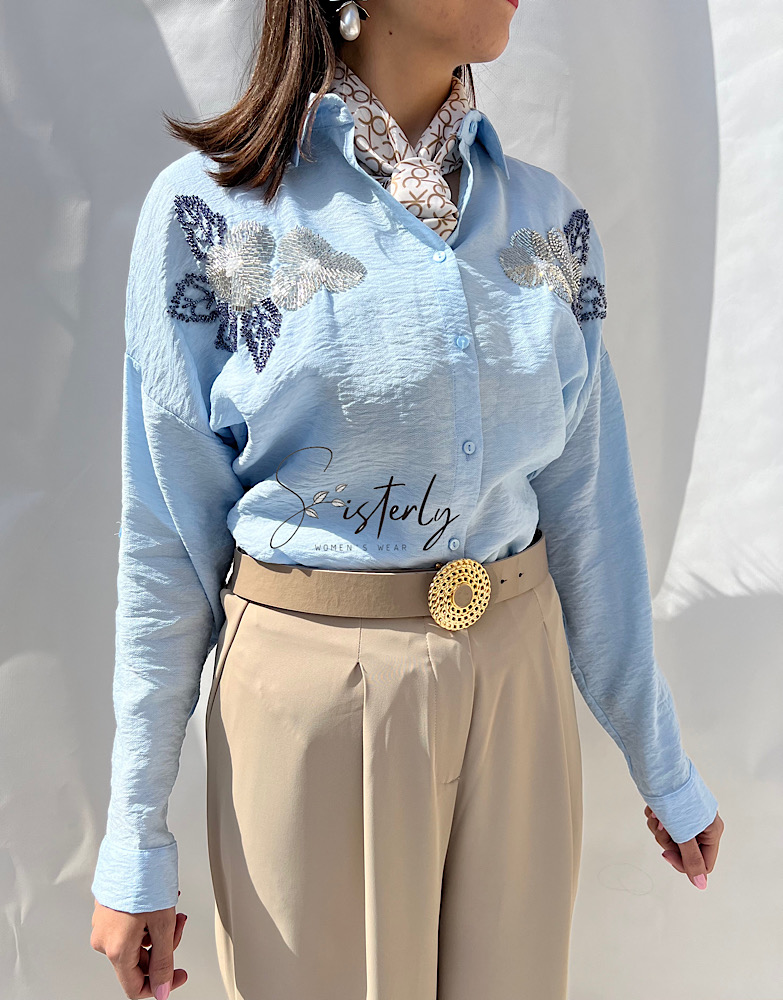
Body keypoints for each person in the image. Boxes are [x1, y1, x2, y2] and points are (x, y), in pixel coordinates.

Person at [89, 0, 724, 997]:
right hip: (309, 703)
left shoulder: (548, 221)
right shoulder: (213, 217)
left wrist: (663, 763)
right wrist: (136, 837)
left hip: (518, 688)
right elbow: (165, 540)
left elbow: (590, 510)